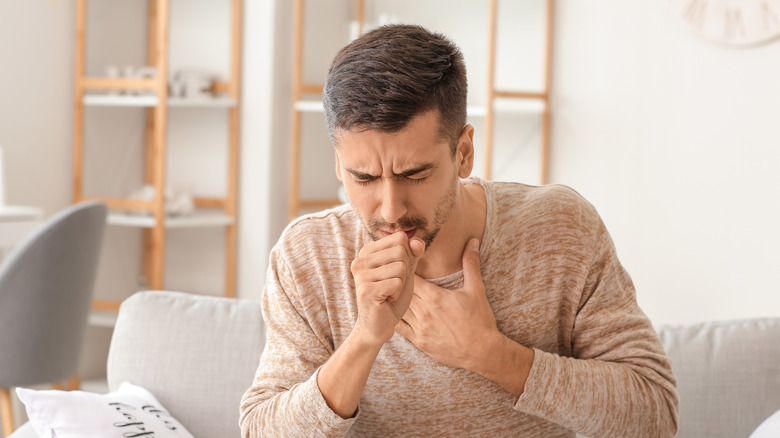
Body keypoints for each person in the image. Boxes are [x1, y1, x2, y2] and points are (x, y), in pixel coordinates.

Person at [240, 24, 678, 437]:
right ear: (338, 163)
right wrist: (365, 338)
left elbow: (655, 414)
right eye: (364, 178)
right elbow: (261, 429)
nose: (390, 209)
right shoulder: (308, 255)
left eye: (415, 174)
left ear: (464, 152)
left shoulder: (559, 227)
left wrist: (489, 354)